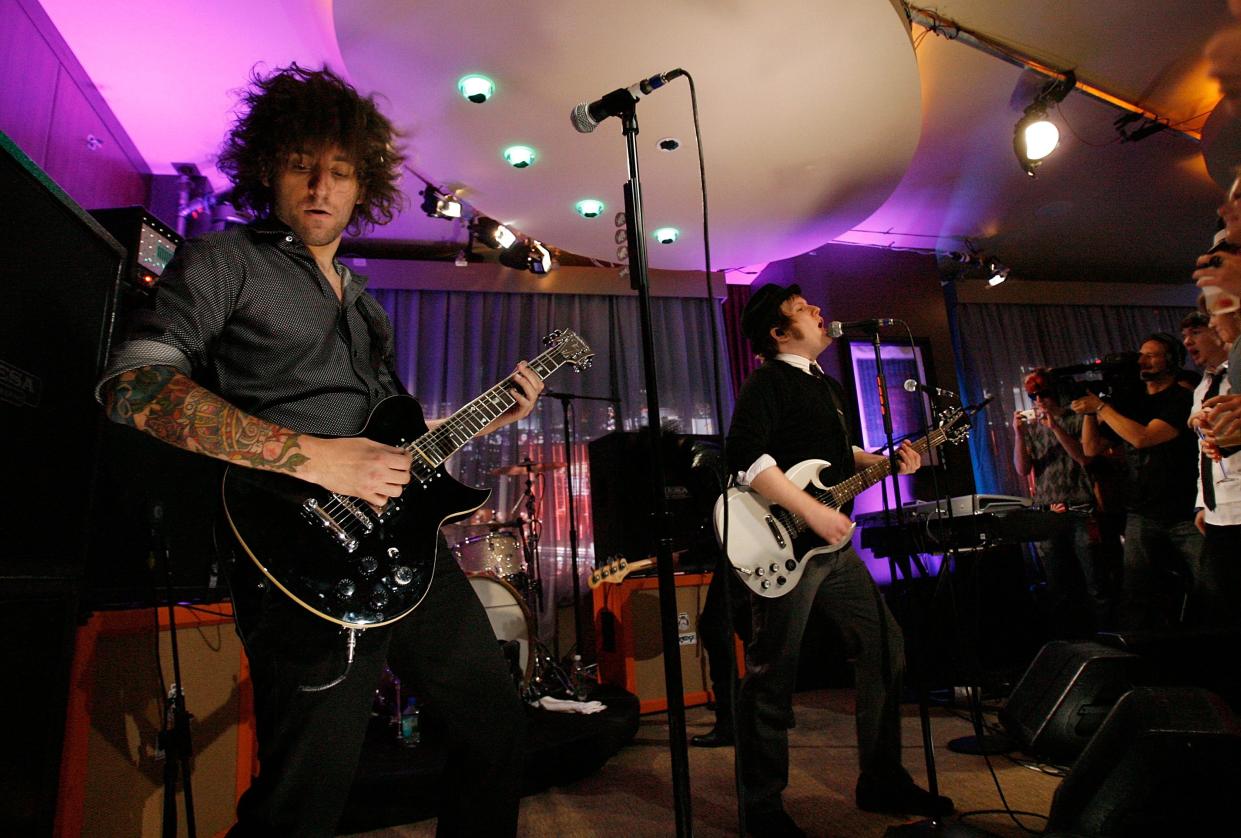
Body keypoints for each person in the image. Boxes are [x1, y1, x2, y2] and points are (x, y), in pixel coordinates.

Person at [97, 65, 543, 837]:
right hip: (296, 551)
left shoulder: (367, 306)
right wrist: (315, 456)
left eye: (339, 171)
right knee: (306, 794)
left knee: (495, 727)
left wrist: (485, 423)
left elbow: (394, 439)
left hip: (404, 551)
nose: (318, 185)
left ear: (360, 185)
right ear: (267, 165)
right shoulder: (224, 261)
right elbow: (132, 385)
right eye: (301, 163)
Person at [724, 283, 951, 837]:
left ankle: (881, 779)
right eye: (803, 310)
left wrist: (881, 462)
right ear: (779, 333)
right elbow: (747, 458)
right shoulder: (767, 381)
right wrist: (812, 511)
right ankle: (762, 810)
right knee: (771, 674)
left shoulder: (824, 385)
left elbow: (824, 454)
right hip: (786, 543)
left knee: (884, 645)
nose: (819, 310)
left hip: (830, 548)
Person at [1072, 333, 1202, 630]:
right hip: (1143, 511)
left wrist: (1102, 408)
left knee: (1206, 584)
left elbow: (1143, 438)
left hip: (1185, 510)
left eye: (1152, 355)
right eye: (1141, 355)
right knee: (1137, 593)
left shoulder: (1182, 399)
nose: (1142, 360)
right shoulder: (1132, 402)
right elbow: (1091, 449)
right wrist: (1090, 411)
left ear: (1171, 361)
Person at [1011, 369, 1108, 636]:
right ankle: (1069, 645)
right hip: (1049, 511)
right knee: (1057, 587)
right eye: (1033, 395)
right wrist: (1019, 434)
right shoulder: (1031, 427)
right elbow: (1022, 469)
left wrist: (1055, 427)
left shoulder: (1077, 418)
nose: (1039, 400)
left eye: (1043, 393)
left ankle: (1107, 639)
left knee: (1095, 584)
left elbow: (1084, 457)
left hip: (1079, 506)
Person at [1190, 303, 1241, 627]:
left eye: (1197, 330)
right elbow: (1203, 450)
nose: (1188, 341)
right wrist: (1202, 503)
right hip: (1217, 508)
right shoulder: (1204, 384)